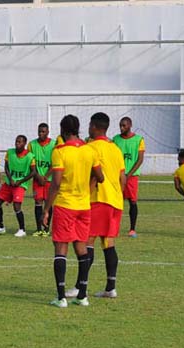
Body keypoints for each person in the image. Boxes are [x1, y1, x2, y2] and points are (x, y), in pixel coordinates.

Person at [42, 115, 104, 308]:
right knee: (81, 248)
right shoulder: (90, 150)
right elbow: (100, 176)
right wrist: (86, 187)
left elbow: (57, 182)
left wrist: (46, 210)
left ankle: (61, 298)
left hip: (65, 205)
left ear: (63, 129)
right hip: (83, 206)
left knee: (61, 248)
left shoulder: (59, 151)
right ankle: (82, 296)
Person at [66, 113, 126, 300]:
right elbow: (122, 176)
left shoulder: (91, 147)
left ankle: (79, 287)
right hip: (115, 201)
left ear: (94, 126)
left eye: (90, 125)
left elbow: (91, 174)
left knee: (86, 241)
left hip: (98, 199)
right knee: (108, 242)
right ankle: (111, 287)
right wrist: (118, 195)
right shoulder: (115, 149)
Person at [0, 135, 35, 237]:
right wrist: (10, 179)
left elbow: (33, 172)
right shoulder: (10, 152)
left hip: (20, 185)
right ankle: (1, 227)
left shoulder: (30, 156)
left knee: (16, 206)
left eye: (20, 142)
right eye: (16, 141)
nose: (17, 143)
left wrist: (20, 182)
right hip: (9, 183)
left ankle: (22, 230)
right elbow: (6, 167)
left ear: (24, 144)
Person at [113, 117, 145, 238]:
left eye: (124, 126)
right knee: (116, 201)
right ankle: (114, 227)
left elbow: (140, 159)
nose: (122, 128)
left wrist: (128, 174)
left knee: (132, 202)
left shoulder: (139, 140)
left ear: (130, 125)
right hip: (117, 176)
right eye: (120, 125)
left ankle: (132, 229)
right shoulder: (115, 140)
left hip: (131, 177)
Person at [27, 123, 56, 236]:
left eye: (43, 131)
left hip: (49, 180)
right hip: (37, 179)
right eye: (39, 131)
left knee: (48, 203)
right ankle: (39, 229)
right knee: (38, 202)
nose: (41, 133)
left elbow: (55, 162)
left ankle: (47, 229)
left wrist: (46, 176)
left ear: (48, 132)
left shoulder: (54, 144)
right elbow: (30, 162)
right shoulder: (32, 145)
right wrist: (38, 176)